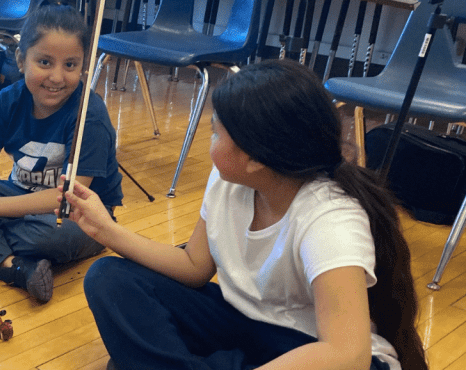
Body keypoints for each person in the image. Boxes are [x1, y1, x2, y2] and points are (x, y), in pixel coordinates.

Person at [62, 59, 427, 370]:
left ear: (255, 157)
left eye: (215, 134)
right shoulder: (228, 181)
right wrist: (107, 230)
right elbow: (194, 266)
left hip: (309, 349)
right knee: (110, 278)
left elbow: (347, 354)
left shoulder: (330, 218)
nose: (210, 143)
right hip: (242, 323)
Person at [0, 4, 123, 304]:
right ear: (21, 60)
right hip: (22, 197)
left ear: (84, 67)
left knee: (49, 237)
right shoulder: (7, 100)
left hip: (80, 216)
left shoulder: (89, 116)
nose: (57, 77)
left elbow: (71, 199)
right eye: (44, 62)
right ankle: (10, 265)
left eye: (70, 65)